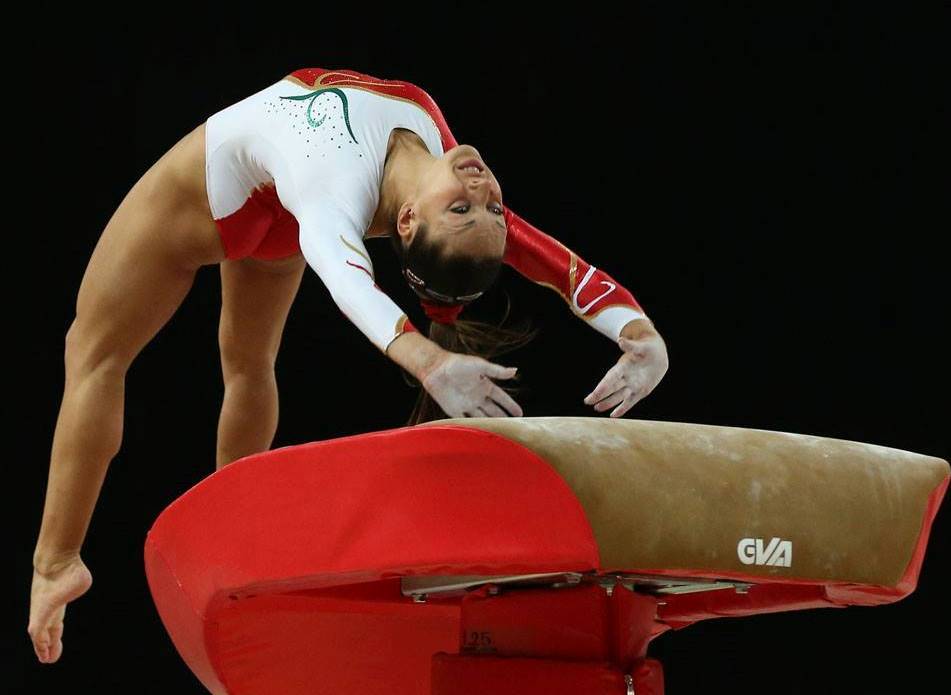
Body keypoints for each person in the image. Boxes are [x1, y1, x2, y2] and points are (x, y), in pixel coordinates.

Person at [28, 67, 669, 664]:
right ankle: (234, 529)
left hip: (205, 203)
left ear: (411, 219)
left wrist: (428, 361)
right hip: (275, 209)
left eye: (465, 210)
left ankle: (58, 562)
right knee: (250, 364)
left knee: (94, 354)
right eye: (488, 210)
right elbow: (551, 262)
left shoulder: (333, 179)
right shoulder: (434, 158)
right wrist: (640, 334)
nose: (484, 194)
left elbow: (347, 280)